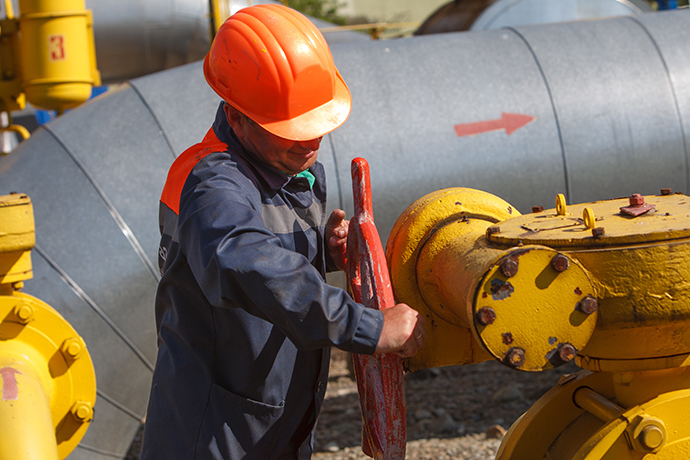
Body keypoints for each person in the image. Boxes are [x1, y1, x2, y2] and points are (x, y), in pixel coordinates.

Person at [140, 4, 426, 460]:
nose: (310, 141)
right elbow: (244, 262)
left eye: (316, 124)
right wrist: (369, 327)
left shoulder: (288, 163)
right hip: (216, 435)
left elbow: (268, 248)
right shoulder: (213, 184)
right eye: (292, 128)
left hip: (276, 423)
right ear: (237, 118)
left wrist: (320, 249)